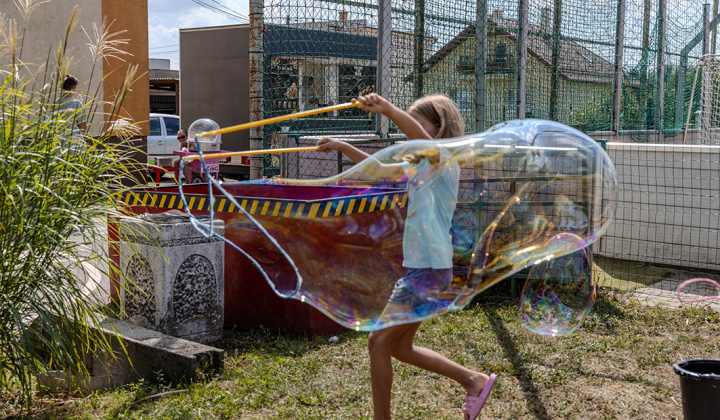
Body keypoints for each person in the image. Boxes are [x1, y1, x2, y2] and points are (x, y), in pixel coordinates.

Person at [315, 93, 497, 420]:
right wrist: (342, 146)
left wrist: (388, 109)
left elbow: (420, 138)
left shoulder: (443, 161)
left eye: (417, 124)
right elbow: (378, 170)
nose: (406, 135)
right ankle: (474, 380)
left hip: (428, 269)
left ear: (438, 129)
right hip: (423, 268)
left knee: (377, 341)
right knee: (399, 347)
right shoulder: (420, 167)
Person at [56, 74, 86, 138]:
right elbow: (83, 128)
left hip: (58, 142)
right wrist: (81, 105)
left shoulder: (55, 103)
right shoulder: (77, 103)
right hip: (74, 143)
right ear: (73, 88)